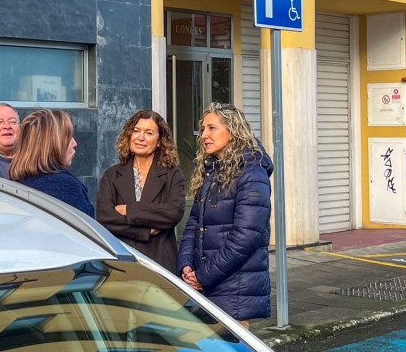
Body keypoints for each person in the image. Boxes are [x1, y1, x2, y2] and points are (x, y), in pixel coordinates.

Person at [176, 103, 273, 328]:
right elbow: (193, 224)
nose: (204, 135)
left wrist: (203, 276)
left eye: (211, 128)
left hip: (234, 290)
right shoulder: (211, 170)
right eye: (202, 129)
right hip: (207, 285)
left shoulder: (251, 173)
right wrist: (186, 267)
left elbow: (245, 239)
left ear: (233, 131)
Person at [96, 110, 186, 273]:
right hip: (121, 263)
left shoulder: (172, 174)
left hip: (159, 263)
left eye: (149, 133)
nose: (141, 137)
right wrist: (144, 230)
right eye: (136, 131)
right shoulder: (112, 175)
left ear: (159, 141)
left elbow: (173, 212)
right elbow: (105, 218)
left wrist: (130, 210)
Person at [9, 109, 94, 217]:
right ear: (54, 142)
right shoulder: (64, 185)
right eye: (68, 137)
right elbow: (85, 230)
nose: (74, 143)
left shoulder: (16, 182)